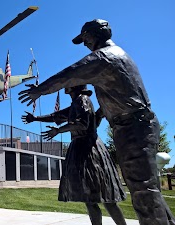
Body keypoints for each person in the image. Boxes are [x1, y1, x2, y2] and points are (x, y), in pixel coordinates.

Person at [18, 19, 175, 225]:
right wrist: (37, 118)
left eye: (85, 38)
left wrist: (40, 90)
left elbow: (69, 74)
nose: (84, 43)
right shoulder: (111, 60)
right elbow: (63, 114)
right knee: (145, 189)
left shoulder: (104, 58)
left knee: (143, 192)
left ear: (97, 34)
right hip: (131, 126)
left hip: (132, 128)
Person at [22, 85, 127, 225]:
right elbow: (56, 116)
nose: (65, 86)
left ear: (75, 86)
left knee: (106, 200)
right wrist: (35, 118)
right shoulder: (76, 103)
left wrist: (59, 131)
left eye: (69, 83)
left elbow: (82, 123)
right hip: (83, 149)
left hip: (89, 150)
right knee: (91, 200)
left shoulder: (82, 99)